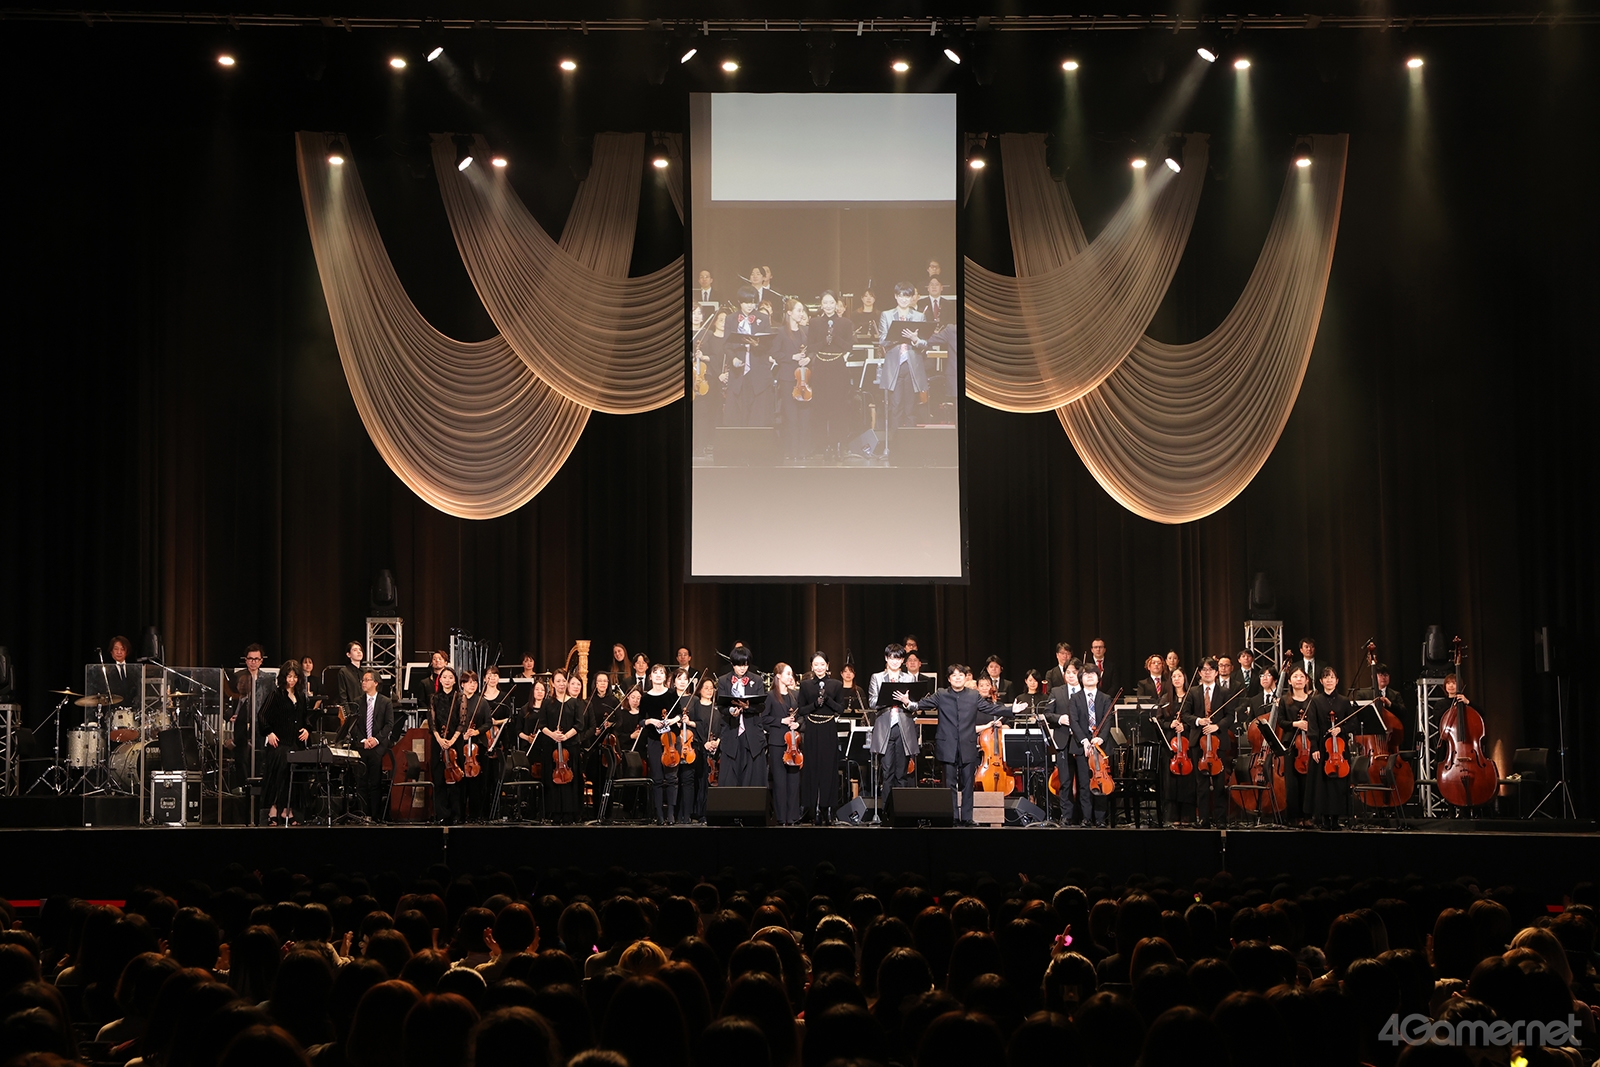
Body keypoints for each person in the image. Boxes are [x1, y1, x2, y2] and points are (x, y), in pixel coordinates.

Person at [903, 664, 1023, 826]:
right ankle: (951, 816)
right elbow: (921, 704)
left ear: (966, 677)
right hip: (947, 745)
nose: (958, 678)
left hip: (968, 743)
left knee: (968, 783)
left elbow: (990, 708)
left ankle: (967, 818)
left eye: (961, 675)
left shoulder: (973, 695)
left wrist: (1011, 710)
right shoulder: (942, 694)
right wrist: (908, 702)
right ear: (949, 679)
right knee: (949, 783)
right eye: (954, 675)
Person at [1181, 659, 1234, 828]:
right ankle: (1203, 819)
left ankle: (1220, 819)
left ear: (1216, 672)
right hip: (1199, 742)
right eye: (1204, 669)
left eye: (1211, 669)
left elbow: (1230, 716)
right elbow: (1185, 714)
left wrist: (1216, 726)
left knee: (1219, 783)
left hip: (1219, 742)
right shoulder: (1193, 692)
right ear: (1199, 673)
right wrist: (1199, 721)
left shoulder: (1225, 692)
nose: (1207, 672)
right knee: (1201, 784)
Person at [807, 291, 856, 458]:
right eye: (825, 303)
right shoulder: (814, 323)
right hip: (821, 365)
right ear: (821, 304)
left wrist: (835, 338)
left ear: (836, 304)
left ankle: (838, 444)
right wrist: (824, 342)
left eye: (831, 303)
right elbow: (811, 346)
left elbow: (849, 347)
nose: (828, 306)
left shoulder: (845, 323)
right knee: (820, 406)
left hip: (837, 366)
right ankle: (821, 445)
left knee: (838, 406)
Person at [261, 661, 310, 825]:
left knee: (296, 773)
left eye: (295, 677)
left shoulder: (301, 696)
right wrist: (269, 732)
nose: (292, 680)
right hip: (279, 743)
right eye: (289, 677)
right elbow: (262, 715)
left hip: (296, 742)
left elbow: (306, 717)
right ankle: (273, 809)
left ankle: (287, 810)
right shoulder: (276, 695)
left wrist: (307, 729)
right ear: (284, 677)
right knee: (280, 771)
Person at [1068, 665, 1116, 827]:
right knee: (1084, 783)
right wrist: (1084, 741)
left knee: (1101, 781)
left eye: (1093, 674)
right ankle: (1086, 818)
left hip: (1101, 746)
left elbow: (1108, 720)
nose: (1089, 676)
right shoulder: (1075, 698)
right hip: (1082, 746)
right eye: (1086, 674)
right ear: (1081, 678)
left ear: (1098, 677)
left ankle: (1101, 819)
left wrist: (1100, 738)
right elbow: (1074, 721)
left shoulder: (1105, 698)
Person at [797, 653, 843, 824]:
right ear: (811, 666)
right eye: (816, 664)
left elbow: (841, 708)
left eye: (822, 664)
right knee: (812, 768)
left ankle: (827, 808)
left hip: (828, 728)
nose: (819, 667)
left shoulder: (836, 684)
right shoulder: (805, 685)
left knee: (828, 769)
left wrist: (827, 700)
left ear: (827, 665)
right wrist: (815, 704)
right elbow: (801, 709)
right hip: (812, 728)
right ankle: (812, 808)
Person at [877, 282, 929, 432]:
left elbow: (925, 343)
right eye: (901, 296)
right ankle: (895, 442)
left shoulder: (919, 316)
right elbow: (882, 340)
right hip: (894, 365)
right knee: (896, 405)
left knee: (910, 407)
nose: (904, 299)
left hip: (912, 366)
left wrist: (915, 339)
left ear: (912, 297)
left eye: (907, 296)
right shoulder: (886, 315)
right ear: (896, 296)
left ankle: (910, 443)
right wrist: (897, 336)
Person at [719, 286, 773, 428]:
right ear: (739, 302)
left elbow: (768, 346)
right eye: (747, 302)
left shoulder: (763, 318)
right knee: (738, 413)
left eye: (753, 302)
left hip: (758, 372)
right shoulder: (731, 319)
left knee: (758, 414)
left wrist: (757, 345)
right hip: (738, 373)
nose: (750, 306)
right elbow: (726, 345)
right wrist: (734, 359)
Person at [868, 644, 918, 797]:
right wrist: (887, 698)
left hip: (903, 728)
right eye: (891, 658)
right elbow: (872, 702)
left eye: (898, 658)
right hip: (885, 727)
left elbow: (915, 705)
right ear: (886, 658)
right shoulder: (877, 677)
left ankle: (902, 808)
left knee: (901, 773)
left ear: (902, 660)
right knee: (887, 771)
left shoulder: (909, 678)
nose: (895, 662)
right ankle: (887, 809)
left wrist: (906, 702)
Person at [715, 647, 767, 788]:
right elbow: (721, 706)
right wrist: (731, 710)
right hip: (732, 731)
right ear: (732, 664)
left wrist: (747, 707)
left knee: (752, 776)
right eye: (739, 665)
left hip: (752, 733)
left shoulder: (756, 680)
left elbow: (761, 706)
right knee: (730, 775)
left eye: (745, 665)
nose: (742, 668)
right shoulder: (723, 680)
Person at [1308, 665, 1351, 829]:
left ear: (1337, 681)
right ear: (1321, 681)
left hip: (1339, 748)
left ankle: (1336, 819)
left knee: (1339, 784)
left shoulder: (1344, 701)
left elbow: (1353, 723)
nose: (1329, 680)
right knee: (1323, 784)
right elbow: (1312, 725)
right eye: (1326, 677)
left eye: (1332, 677)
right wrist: (1314, 747)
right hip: (1322, 747)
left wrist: (1341, 729)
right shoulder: (1315, 701)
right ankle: (1325, 819)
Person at [640, 665, 683, 825]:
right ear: (650, 677)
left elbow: (680, 714)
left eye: (661, 673)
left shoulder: (672, 694)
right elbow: (641, 720)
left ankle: (670, 814)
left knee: (672, 778)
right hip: (654, 740)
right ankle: (659, 814)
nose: (658, 675)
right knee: (657, 779)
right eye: (655, 672)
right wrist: (651, 721)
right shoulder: (645, 698)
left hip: (671, 740)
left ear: (665, 677)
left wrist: (672, 720)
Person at [538, 674, 583, 824]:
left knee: (570, 779)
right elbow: (542, 725)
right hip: (551, 746)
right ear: (553, 683)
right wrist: (553, 735)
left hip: (570, 746)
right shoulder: (547, 703)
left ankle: (570, 813)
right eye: (558, 681)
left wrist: (565, 736)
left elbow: (579, 725)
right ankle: (554, 813)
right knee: (553, 778)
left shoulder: (575, 703)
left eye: (564, 681)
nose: (562, 684)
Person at [762, 663, 803, 825]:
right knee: (779, 782)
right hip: (777, 743)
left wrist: (797, 723)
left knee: (794, 782)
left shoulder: (795, 695)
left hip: (794, 744)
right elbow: (764, 719)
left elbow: (802, 715)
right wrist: (781, 721)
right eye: (788, 674)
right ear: (778, 676)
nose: (790, 677)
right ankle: (781, 817)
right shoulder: (770, 696)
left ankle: (792, 816)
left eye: (791, 674)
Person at [351, 668, 394, 822]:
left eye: (367, 680)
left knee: (375, 782)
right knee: (361, 782)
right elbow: (354, 724)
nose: (364, 682)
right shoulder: (357, 702)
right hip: (362, 746)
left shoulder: (385, 702)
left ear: (376, 683)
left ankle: (375, 816)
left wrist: (376, 739)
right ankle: (363, 815)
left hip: (377, 747)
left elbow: (389, 724)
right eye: (363, 680)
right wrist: (363, 740)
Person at [231, 644, 274, 794]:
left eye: (256, 659)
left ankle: (257, 787)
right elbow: (228, 696)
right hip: (241, 723)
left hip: (260, 723)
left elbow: (272, 700)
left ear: (261, 660)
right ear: (246, 660)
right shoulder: (238, 676)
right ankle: (242, 788)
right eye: (250, 659)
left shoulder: (268, 679)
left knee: (259, 754)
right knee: (241, 756)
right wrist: (230, 714)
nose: (253, 662)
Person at [1276, 667, 1315, 827]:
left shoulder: (1313, 700)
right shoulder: (1284, 701)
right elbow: (1281, 722)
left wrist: (1309, 725)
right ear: (1289, 681)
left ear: (1306, 680)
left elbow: (1318, 721)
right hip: (1291, 745)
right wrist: (1295, 724)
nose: (1298, 679)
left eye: (1301, 676)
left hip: (1310, 745)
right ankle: (1294, 817)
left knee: (1308, 782)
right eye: (1295, 676)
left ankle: (1308, 816)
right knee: (1292, 784)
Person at [775, 297, 812, 461]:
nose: (801, 314)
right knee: (791, 415)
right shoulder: (781, 332)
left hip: (804, 378)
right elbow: (775, 353)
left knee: (804, 415)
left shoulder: (806, 331)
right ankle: (791, 450)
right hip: (788, 378)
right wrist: (792, 357)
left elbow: (812, 350)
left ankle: (803, 450)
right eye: (798, 310)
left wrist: (808, 358)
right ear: (789, 313)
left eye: (802, 311)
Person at [679, 674, 719, 823]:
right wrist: (704, 743)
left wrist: (717, 742)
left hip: (715, 749)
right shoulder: (695, 706)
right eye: (706, 688)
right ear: (700, 689)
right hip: (698, 748)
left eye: (711, 688)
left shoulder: (717, 708)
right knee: (699, 780)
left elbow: (723, 728)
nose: (709, 690)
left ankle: (710, 811)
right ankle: (697, 812)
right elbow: (695, 727)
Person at [476, 667, 515, 819]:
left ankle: (498, 812)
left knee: (497, 777)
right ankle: (483, 813)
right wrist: (487, 723)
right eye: (489, 675)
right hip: (483, 741)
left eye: (495, 675)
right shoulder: (480, 698)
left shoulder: (504, 697)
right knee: (483, 778)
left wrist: (496, 722)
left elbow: (510, 719)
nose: (492, 678)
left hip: (499, 740)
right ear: (484, 678)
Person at [429, 666, 465, 825]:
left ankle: (457, 814)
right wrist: (439, 739)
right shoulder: (434, 698)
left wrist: (452, 740)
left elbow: (462, 722)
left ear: (455, 680)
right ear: (440, 680)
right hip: (438, 741)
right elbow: (432, 722)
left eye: (451, 677)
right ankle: (442, 814)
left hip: (455, 741)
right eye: (444, 677)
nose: (447, 680)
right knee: (439, 778)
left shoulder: (460, 698)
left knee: (456, 779)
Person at [1048, 660, 1082, 824]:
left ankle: (1084, 815)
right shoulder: (1056, 691)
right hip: (1063, 740)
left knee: (1084, 780)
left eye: (1074, 672)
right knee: (1065, 781)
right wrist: (1059, 718)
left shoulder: (1086, 691)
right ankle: (1067, 816)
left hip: (1082, 741)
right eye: (1068, 672)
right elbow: (1047, 713)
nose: (1070, 675)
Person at [1161, 668, 1196, 825]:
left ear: (1184, 678)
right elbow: (1159, 720)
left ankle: (1187, 815)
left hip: (1187, 743)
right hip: (1171, 744)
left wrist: (1185, 726)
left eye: (1179, 676)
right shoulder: (1165, 699)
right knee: (1172, 781)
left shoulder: (1191, 697)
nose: (1176, 679)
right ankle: (1173, 815)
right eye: (1173, 676)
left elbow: (1195, 719)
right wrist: (1170, 724)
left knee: (1187, 781)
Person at [337, 642, 367, 719]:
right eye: (355, 650)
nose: (359, 652)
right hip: (352, 711)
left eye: (360, 649)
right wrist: (347, 713)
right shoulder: (344, 672)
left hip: (366, 710)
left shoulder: (366, 672)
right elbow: (342, 694)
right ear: (348, 654)